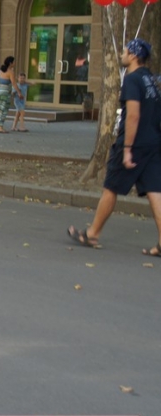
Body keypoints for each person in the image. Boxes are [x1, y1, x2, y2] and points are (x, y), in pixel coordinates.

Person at [67, 39, 161, 255]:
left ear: (135, 56)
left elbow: (133, 116)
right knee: (156, 191)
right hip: (154, 142)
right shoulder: (153, 80)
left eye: (126, 51)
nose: (122, 54)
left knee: (111, 187)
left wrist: (127, 148)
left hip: (134, 144)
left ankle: (92, 234)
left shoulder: (132, 80)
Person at [0, 56, 21, 134]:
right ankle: (0, 127)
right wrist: (19, 92)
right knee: (3, 109)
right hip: (5, 93)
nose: (14, 63)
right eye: (14, 62)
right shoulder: (10, 72)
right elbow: (14, 83)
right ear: (10, 63)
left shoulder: (1, 70)